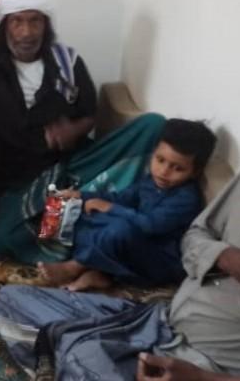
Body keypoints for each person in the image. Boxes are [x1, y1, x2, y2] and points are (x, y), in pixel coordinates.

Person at [0, 65, 240, 380]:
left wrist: (206, 380)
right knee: (14, 301)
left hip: (212, 367)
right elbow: (196, 236)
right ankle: (87, 356)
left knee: (83, 352)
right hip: (156, 323)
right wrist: (224, 255)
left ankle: (80, 356)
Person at [0, 0, 166, 264]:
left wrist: (73, 130)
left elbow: (89, 113)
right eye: (17, 21)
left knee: (153, 125)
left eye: (35, 21)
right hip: (20, 178)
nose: (26, 32)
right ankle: (76, 218)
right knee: (1, 238)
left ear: (46, 25)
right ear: (5, 26)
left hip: (74, 164)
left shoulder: (67, 61)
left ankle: (75, 206)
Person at [38, 119, 217, 292]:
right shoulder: (150, 181)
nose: (164, 171)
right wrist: (82, 196)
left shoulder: (185, 198)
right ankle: (100, 273)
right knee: (85, 211)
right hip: (133, 246)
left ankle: (74, 267)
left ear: (195, 172)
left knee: (120, 229)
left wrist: (109, 208)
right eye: (160, 160)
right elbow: (121, 198)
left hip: (158, 262)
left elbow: (150, 225)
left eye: (177, 168)